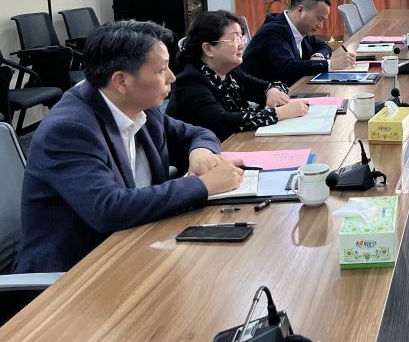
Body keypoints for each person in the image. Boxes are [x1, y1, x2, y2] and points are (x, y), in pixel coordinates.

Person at [15, 21, 243, 273]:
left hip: (138, 244)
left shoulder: (142, 106)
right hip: (78, 272)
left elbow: (198, 133)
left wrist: (201, 152)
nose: (172, 77)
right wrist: (203, 185)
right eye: (161, 69)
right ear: (121, 81)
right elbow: (108, 209)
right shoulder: (68, 130)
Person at [167, 10, 310, 143]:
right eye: (234, 39)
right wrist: (279, 113)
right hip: (206, 155)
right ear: (208, 49)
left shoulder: (231, 72)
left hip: (237, 143)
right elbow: (222, 122)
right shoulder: (190, 82)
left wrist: (271, 91)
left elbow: (268, 85)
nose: (241, 45)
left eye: (242, 38)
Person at [241, 0, 353, 87]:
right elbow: (288, 68)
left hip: (287, 90)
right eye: (319, 19)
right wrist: (330, 64)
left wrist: (318, 56)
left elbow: (323, 45)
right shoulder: (273, 31)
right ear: (300, 10)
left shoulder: (301, 28)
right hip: (261, 98)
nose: (320, 26)